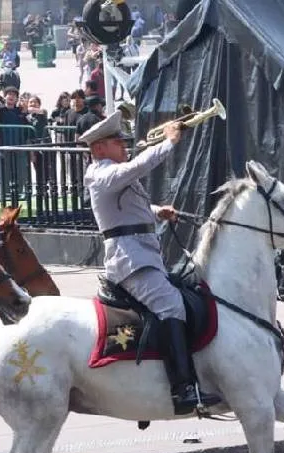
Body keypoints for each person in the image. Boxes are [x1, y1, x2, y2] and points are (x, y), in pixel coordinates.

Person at [80, 112, 221, 415]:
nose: (124, 145)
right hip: (130, 259)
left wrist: (157, 212)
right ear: (100, 148)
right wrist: (169, 142)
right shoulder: (100, 173)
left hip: (142, 254)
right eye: (117, 141)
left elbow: (130, 207)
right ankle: (183, 388)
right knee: (171, 306)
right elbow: (137, 167)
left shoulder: (112, 172)